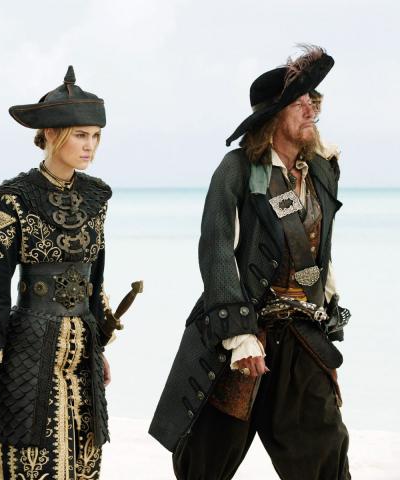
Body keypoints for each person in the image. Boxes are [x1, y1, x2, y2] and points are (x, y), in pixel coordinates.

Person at [149, 46, 351, 479]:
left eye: (312, 102)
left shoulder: (320, 170)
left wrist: (328, 307)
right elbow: (217, 249)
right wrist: (239, 335)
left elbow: (320, 249)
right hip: (242, 338)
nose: (311, 111)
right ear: (273, 118)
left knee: (325, 454)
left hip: (302, 336)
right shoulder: (237, 170)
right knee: (206, 461)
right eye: (299, 104)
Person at [0, 66, 114, 479]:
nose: (90, 145)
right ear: (50, 134)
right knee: (23, 456)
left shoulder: (97, 196)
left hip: (82, 349)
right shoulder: (13, 198)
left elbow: (96, 277)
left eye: (95, 136)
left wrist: (99, 345)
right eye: (80, 135)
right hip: (27, 348)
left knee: (83, 455)